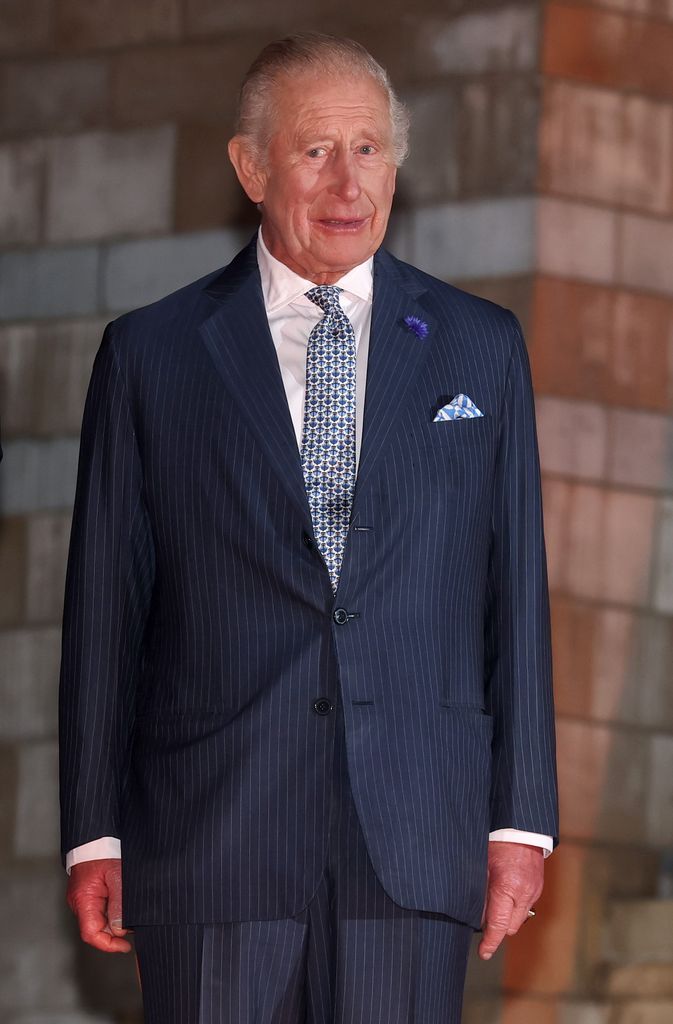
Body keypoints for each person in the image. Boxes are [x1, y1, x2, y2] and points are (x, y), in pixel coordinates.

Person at [59, 33, 558, 1023]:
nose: (347, 181)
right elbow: (103, 615)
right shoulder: (152, 356)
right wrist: (94, 832)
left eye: (369, 149)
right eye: (315, 149)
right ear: (250, 166)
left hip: (415, 839)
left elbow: (516, 600)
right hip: (212, 837)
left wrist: (522, 822)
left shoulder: (478, 347)